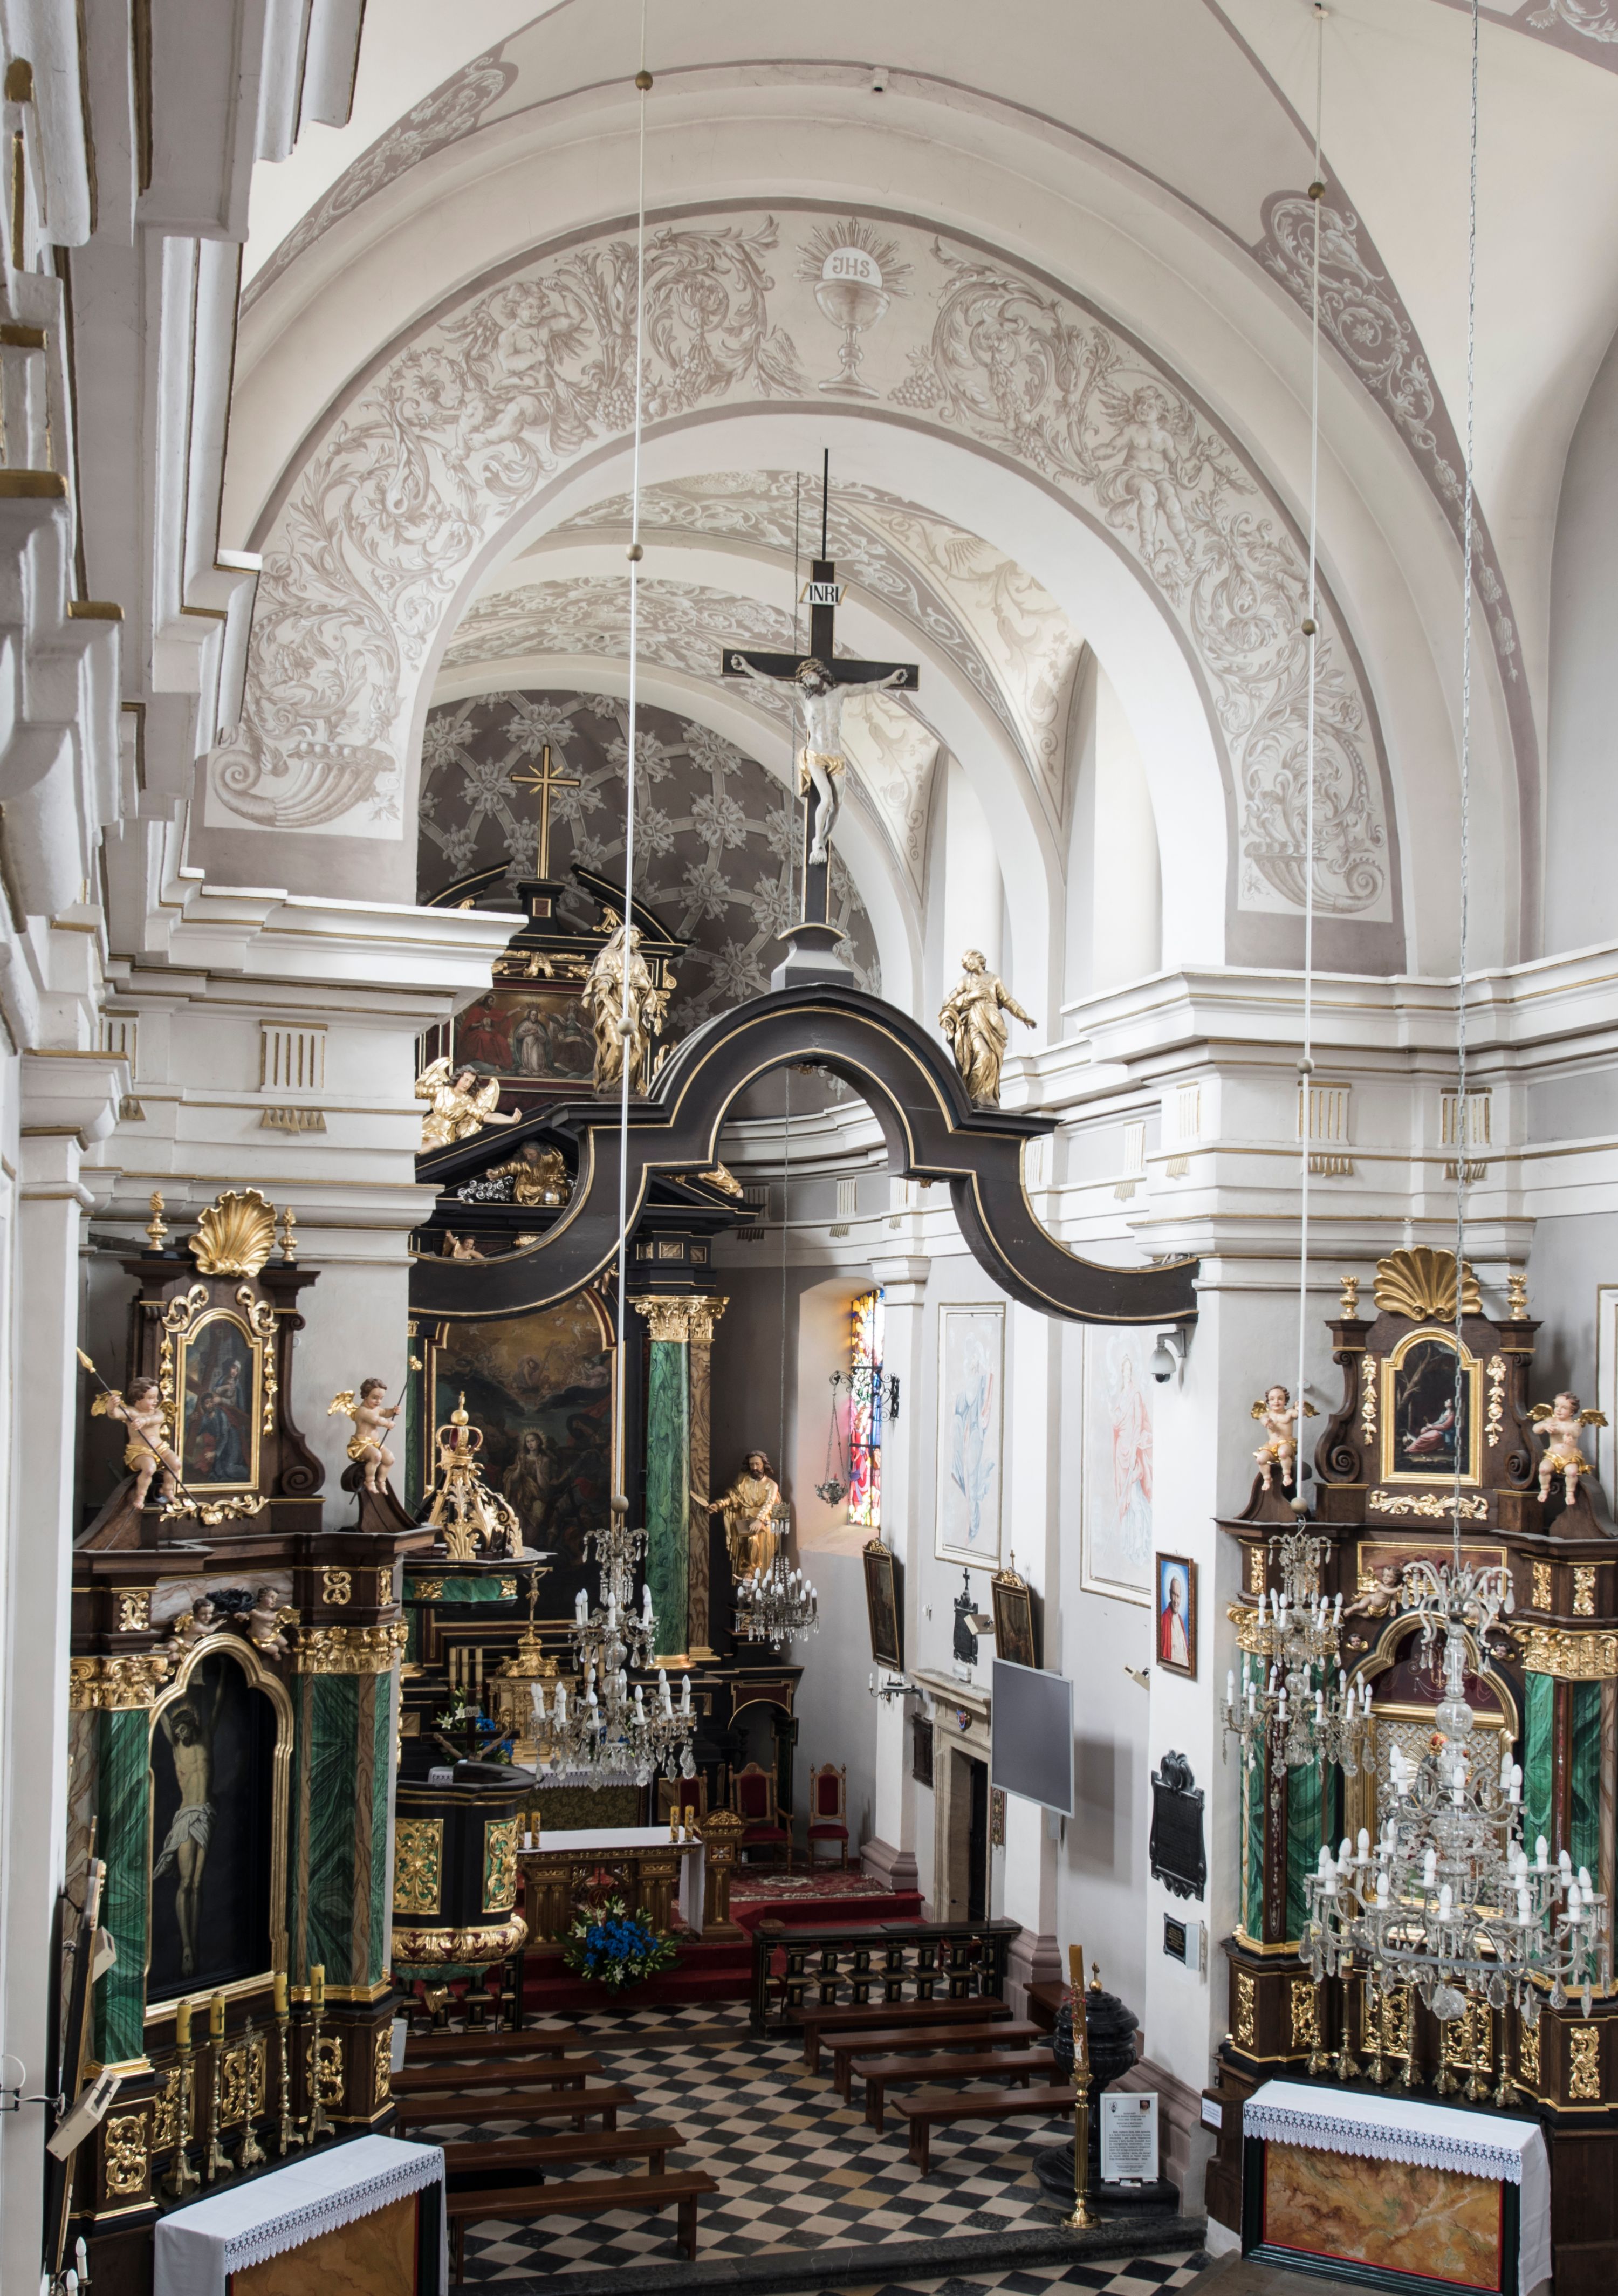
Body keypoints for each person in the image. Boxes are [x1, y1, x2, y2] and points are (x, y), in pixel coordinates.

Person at [154, 1663, 229, 1979]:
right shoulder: (176, 1749)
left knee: (198, 1883)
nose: (180, 1735)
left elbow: (218, 1703)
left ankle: (193, 1945)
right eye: (177, 1733)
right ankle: (185, 1945)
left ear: (190, 1726)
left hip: (206, 1815)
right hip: (187, 1816)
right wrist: (160, 1680)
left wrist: (222, 1672)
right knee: (185, 1882)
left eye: (183, 1730)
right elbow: (161, 1713)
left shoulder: (206, 1738)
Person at [938, 950, 1036, 1107]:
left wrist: (1024, 1017)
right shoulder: (965, 981)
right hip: (974, 1023)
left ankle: (986, 1097)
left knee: (992, 1059)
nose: (968, 965)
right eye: (966, 964)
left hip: (993, 1023)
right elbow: (948, 1003)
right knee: (982, 1054)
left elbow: (1008, 1001)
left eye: (970, 961)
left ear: (979, 959)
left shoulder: (994, 979)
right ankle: (972, 1096)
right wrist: (971, 996)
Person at [93, 1376, 181, 1508]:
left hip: (160, 1448)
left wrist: (144, 1421)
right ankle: (140, 1496)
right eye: (151, 1398)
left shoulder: (158, 1412)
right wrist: (111, 1407)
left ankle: (167, 1490)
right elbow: (116, 1414)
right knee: (149, 1468)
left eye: (156, 1397)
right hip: (140, 1451)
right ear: (138, 1399)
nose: (156, 1401)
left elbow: (156, 1419)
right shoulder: (131, 1413)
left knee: (176, 1463)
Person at [713, 1451, 783, 1576]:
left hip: (763, 1524)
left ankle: (753, 1570)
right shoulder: (743, 1481)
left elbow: (769, 1503)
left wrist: (759, 1520)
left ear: (764, 1465)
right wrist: (719, 1505)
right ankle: (745, 1571)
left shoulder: (771, 1485)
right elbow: (733, 1497)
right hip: (744, 1523)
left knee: (753, 1540)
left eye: (757, 1464)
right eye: (751, 1465)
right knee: (744, 1542)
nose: (754, 1468)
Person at [1158, 1571, 1190, 1669]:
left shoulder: (1180, 1620)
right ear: (1169, 1594)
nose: (1176, 1601)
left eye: (1178, 1596)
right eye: (1174, 1595)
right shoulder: (1164, 1619)